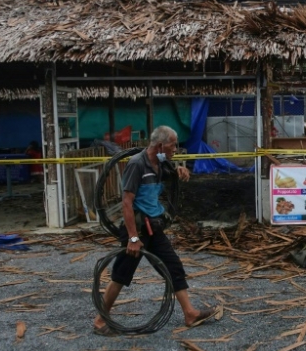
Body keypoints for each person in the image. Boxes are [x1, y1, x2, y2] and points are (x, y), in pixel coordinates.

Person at [93, 125, 220, 336]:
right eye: (173, 145)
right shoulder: (137, 164)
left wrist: (178, 169)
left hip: (155, 228)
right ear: (160, 145)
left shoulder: (160, 163)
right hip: (137, 229)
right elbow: (126, 202)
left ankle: (189, 313)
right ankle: (99, 320)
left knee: (173, 267)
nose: (176, 149)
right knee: (121, 275)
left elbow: (169, 172)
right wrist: (133, 237)